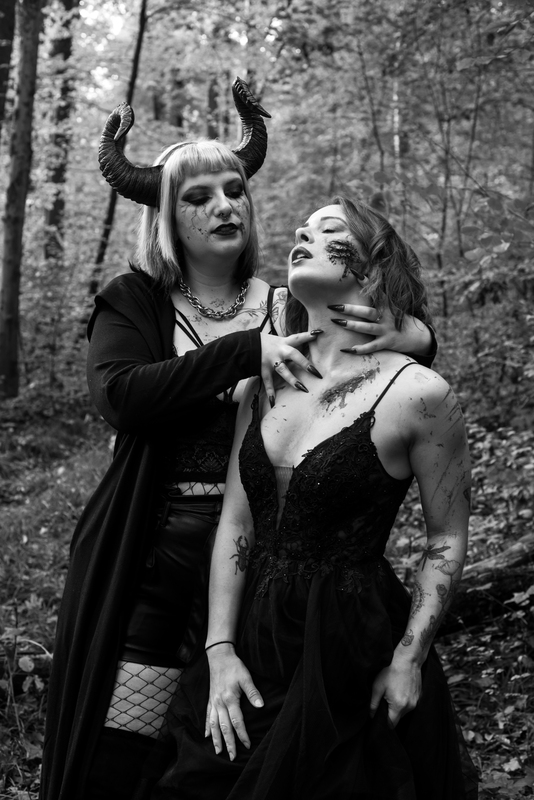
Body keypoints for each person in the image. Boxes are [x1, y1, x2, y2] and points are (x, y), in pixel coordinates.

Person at [39, 80, 436, 800]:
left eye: (234, 190)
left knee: (236, 761)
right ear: (166, 218)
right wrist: (243, 352)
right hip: (154, 555)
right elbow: (121, 397)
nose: (225, 205)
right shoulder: (135, 301)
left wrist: (416, 334)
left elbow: (380, 354)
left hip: (264, 568)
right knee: (121, 757)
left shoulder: (288, 303)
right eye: (198, 197)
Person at [152, 196, 478, 800]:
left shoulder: (421, 393)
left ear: (373, 267)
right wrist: (219, 648)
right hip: (251, 632)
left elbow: (447, 537)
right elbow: (237, 522)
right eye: (302, 230)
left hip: (347, 643)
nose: (304, 236)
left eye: (330, 231)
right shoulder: (265, 381)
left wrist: (408, 659)